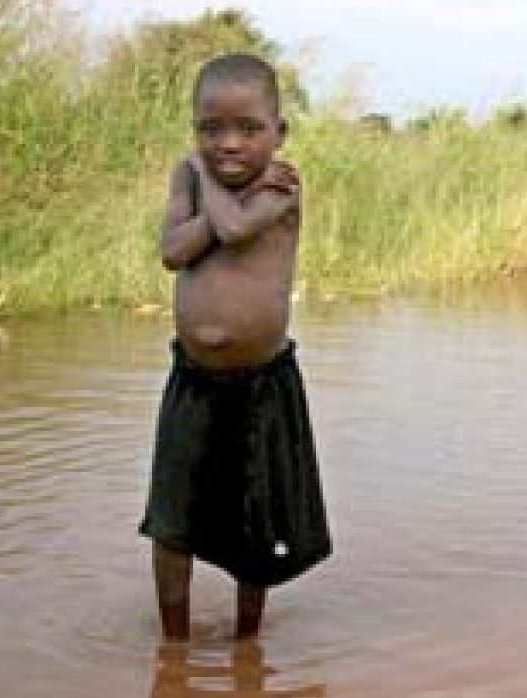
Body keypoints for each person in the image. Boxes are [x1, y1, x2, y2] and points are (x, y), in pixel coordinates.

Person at [139, 52, 332, 643]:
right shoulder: (189, 178)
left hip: (261, 383)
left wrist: (201, 178)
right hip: (194, 381)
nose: (229, 144)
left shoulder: (283, 187)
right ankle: (174, 646)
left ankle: (248, 645)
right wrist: (200, 193)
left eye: (250, 129)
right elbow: (174, 251)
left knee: (257, 522)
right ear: (195, 127)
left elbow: (238, 230)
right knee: (172, 523)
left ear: (279, 133)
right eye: (210, 129)